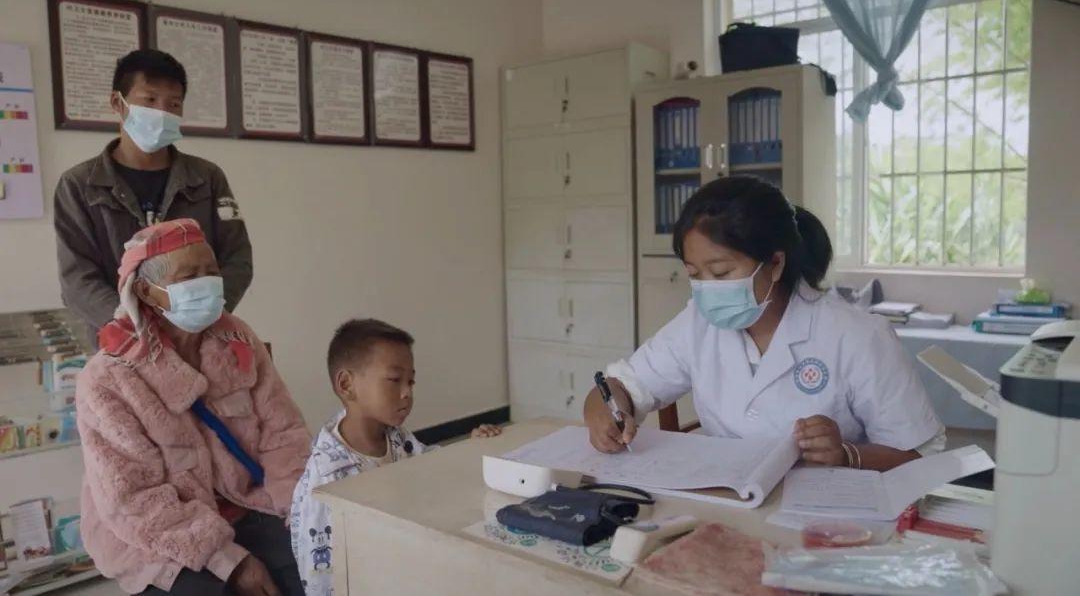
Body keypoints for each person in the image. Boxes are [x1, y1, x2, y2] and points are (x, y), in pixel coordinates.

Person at [584, 177, 945, 471]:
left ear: (774, 263)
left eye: (722, 272)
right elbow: (623, 387)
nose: (708, 288)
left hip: (825, 523)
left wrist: (848, 454)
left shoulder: (857, 336)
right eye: (695, 274)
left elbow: (920, 456)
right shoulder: (698, 324)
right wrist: (604, 412)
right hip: (727, 502)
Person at [76, 219, 309, 595]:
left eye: (211, 271)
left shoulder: (237, 338)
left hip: (246, 504)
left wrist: (299, 511)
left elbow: (283, 434)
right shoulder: (106, 378)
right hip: (155, 537)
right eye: (189, 276)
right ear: (145, 291)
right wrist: (230, 563)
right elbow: (134, 500)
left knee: (319, 567)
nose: (206, 283)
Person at [290, 318, 502, 595]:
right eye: (394, 380)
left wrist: (470, 447)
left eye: (411, 381)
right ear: (346, 385)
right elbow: (320, 575)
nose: (407, 393)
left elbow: (429, 464)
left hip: (404, 562)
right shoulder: (327, 478)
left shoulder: (395, 436)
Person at [54, 49, 252, 333]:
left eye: (173, 104)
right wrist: (130, 321)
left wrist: (205, 314)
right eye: (149, 100)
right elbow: (77, 279)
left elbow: (238, 258)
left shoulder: (206, 178)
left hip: (200, 339)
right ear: (117, 103)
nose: (162, 112)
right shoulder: (79, 186)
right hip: (122, 346)